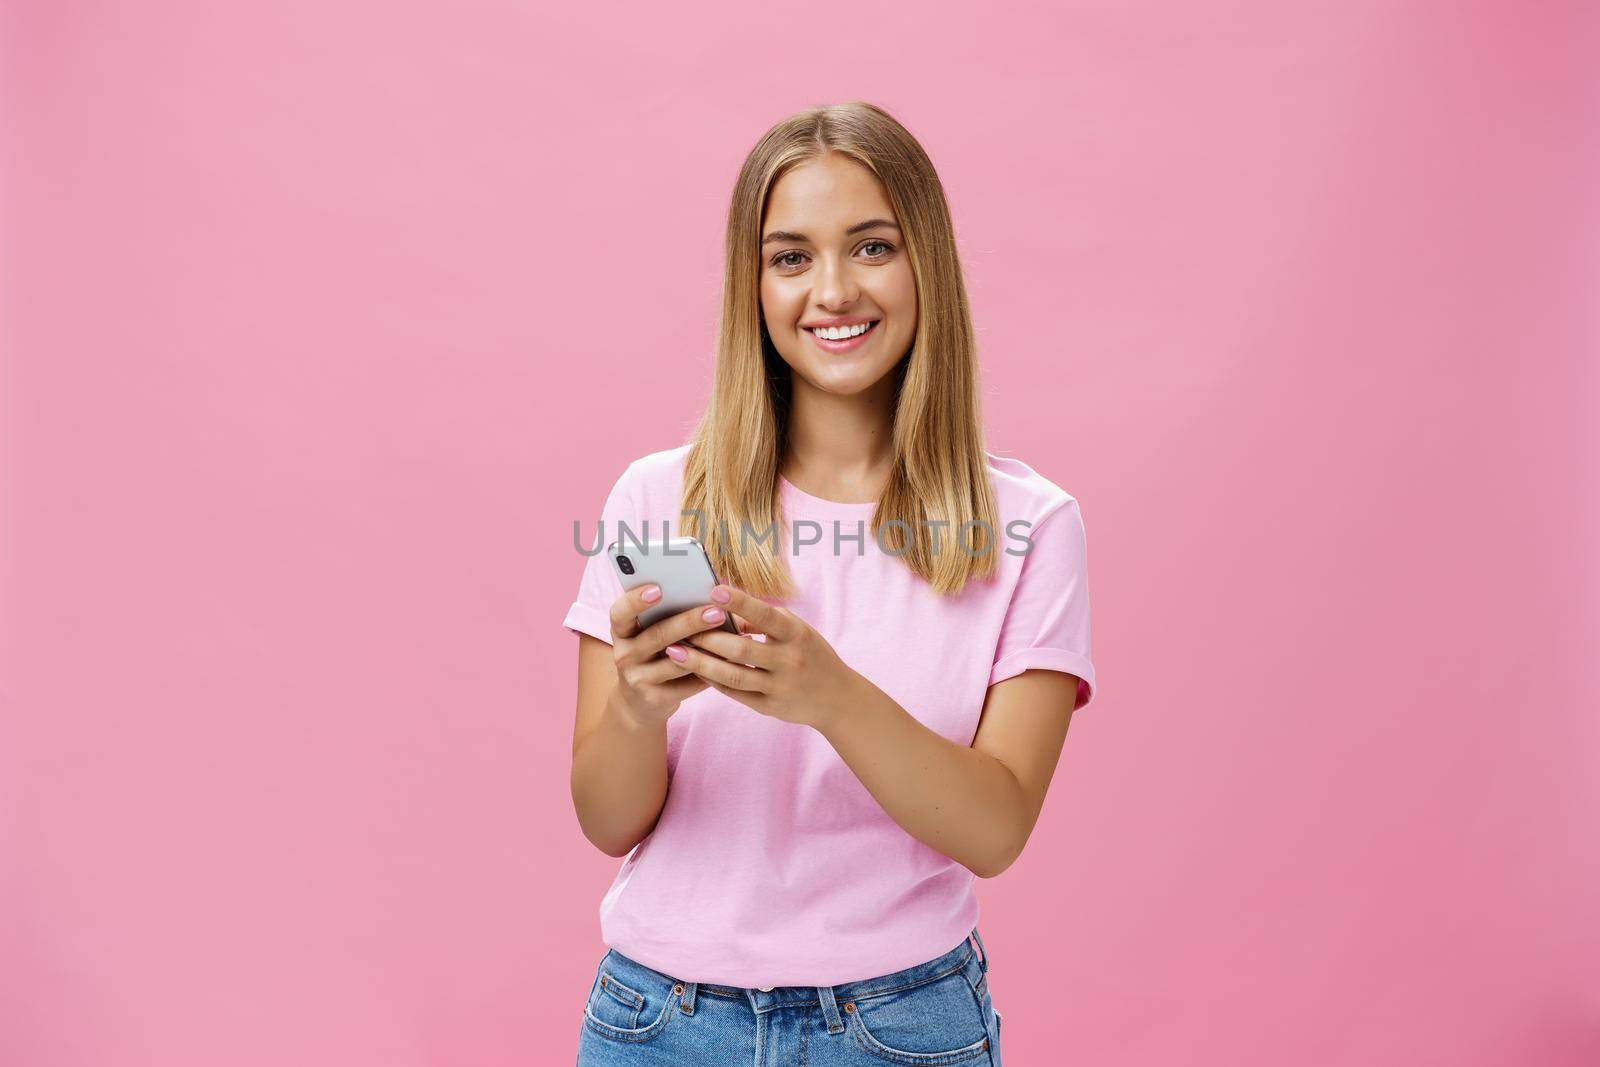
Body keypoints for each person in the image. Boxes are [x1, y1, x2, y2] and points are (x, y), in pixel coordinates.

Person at [562, 101, 1097, 1067]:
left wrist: (831, 696)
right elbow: (607, 821)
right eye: (791, 257)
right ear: (753, 285)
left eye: (873, 246)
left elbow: (996, 826)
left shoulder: (1030, 527)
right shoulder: (663, 502)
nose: (834, 290)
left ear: (925, 260)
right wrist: (640, 709)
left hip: (902, 1028)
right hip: (659, 1023)